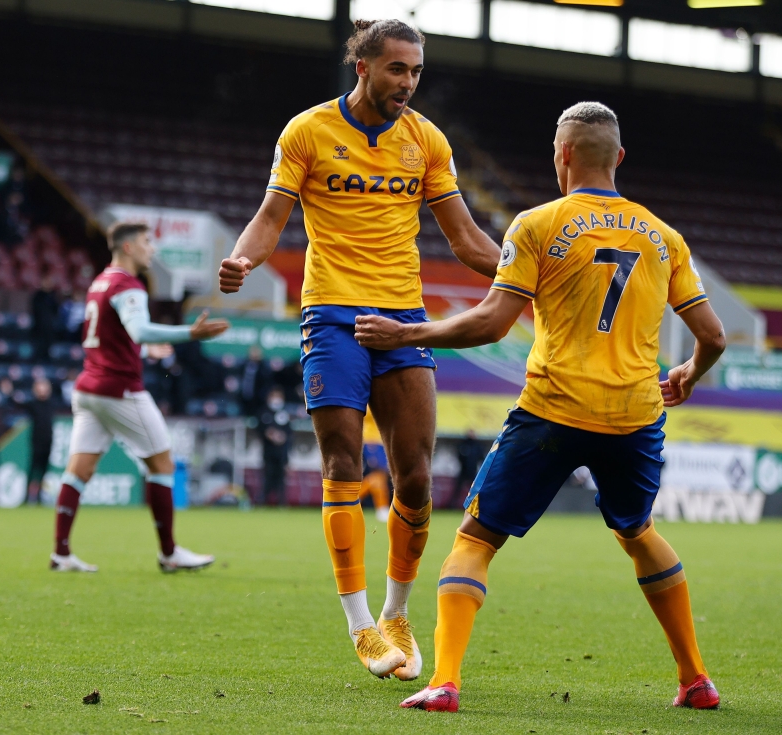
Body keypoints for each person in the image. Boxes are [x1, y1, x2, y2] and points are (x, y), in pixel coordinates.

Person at [356, 102, 727, 712]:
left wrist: (407, 334)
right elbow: (712, 336)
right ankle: (696, 680)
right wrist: (688, 372)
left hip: (554, 410)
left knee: (475, 539)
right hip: (634, 415)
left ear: (562, 156)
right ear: (620, 158)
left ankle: (445, 681)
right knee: (638, 531)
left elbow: (492, 324)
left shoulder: (537, 224)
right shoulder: (665, 237)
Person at [218, 18, 500, 680]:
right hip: (332, 313)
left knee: (417, 476)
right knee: (342, 458)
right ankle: (361, 624)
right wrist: (242, 258)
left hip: (402, 316)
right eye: (397, 69)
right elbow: (271, 217)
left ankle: (398, 612)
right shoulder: (308, 131)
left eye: (416, 71)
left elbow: (463, 236)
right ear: (364, 67)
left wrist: (526, 272)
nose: (407, 82)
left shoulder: (426, 140)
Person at [51, 222, 229, 573]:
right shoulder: (127, 284)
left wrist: (144, 350)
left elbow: (114, 337)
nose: (153, 249)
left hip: (88, 388)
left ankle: (61, 553)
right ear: (129, 247)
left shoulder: (100, 281)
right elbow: (138, 328)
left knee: (78, 471)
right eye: (148, 242)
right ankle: (169, 553)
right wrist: (189, 332)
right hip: (118, 390)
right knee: (162, 465)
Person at [258, 386, 291, 506]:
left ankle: (282, 503)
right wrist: (271, 435)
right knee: (267, 477)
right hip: (269, 452)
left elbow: (289, 434)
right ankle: (262, 501)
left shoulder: (284, 413)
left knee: (281, 479)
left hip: (282, 452)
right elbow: (262, 430)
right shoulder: (264, 412)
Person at [26, 377, 56, 504]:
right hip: (36, 442)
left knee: (44, 470)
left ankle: (39, 496)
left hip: (48, 442)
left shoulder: (52, 404)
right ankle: (27, 496)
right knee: (33, 470)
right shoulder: (33, 405)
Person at [359, 409, 391, 522]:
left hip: (382, 441)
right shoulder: (367, 396)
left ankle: (351, 500)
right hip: (371, 440)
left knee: (382, 474)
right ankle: (381, 508)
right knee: (379, 473)